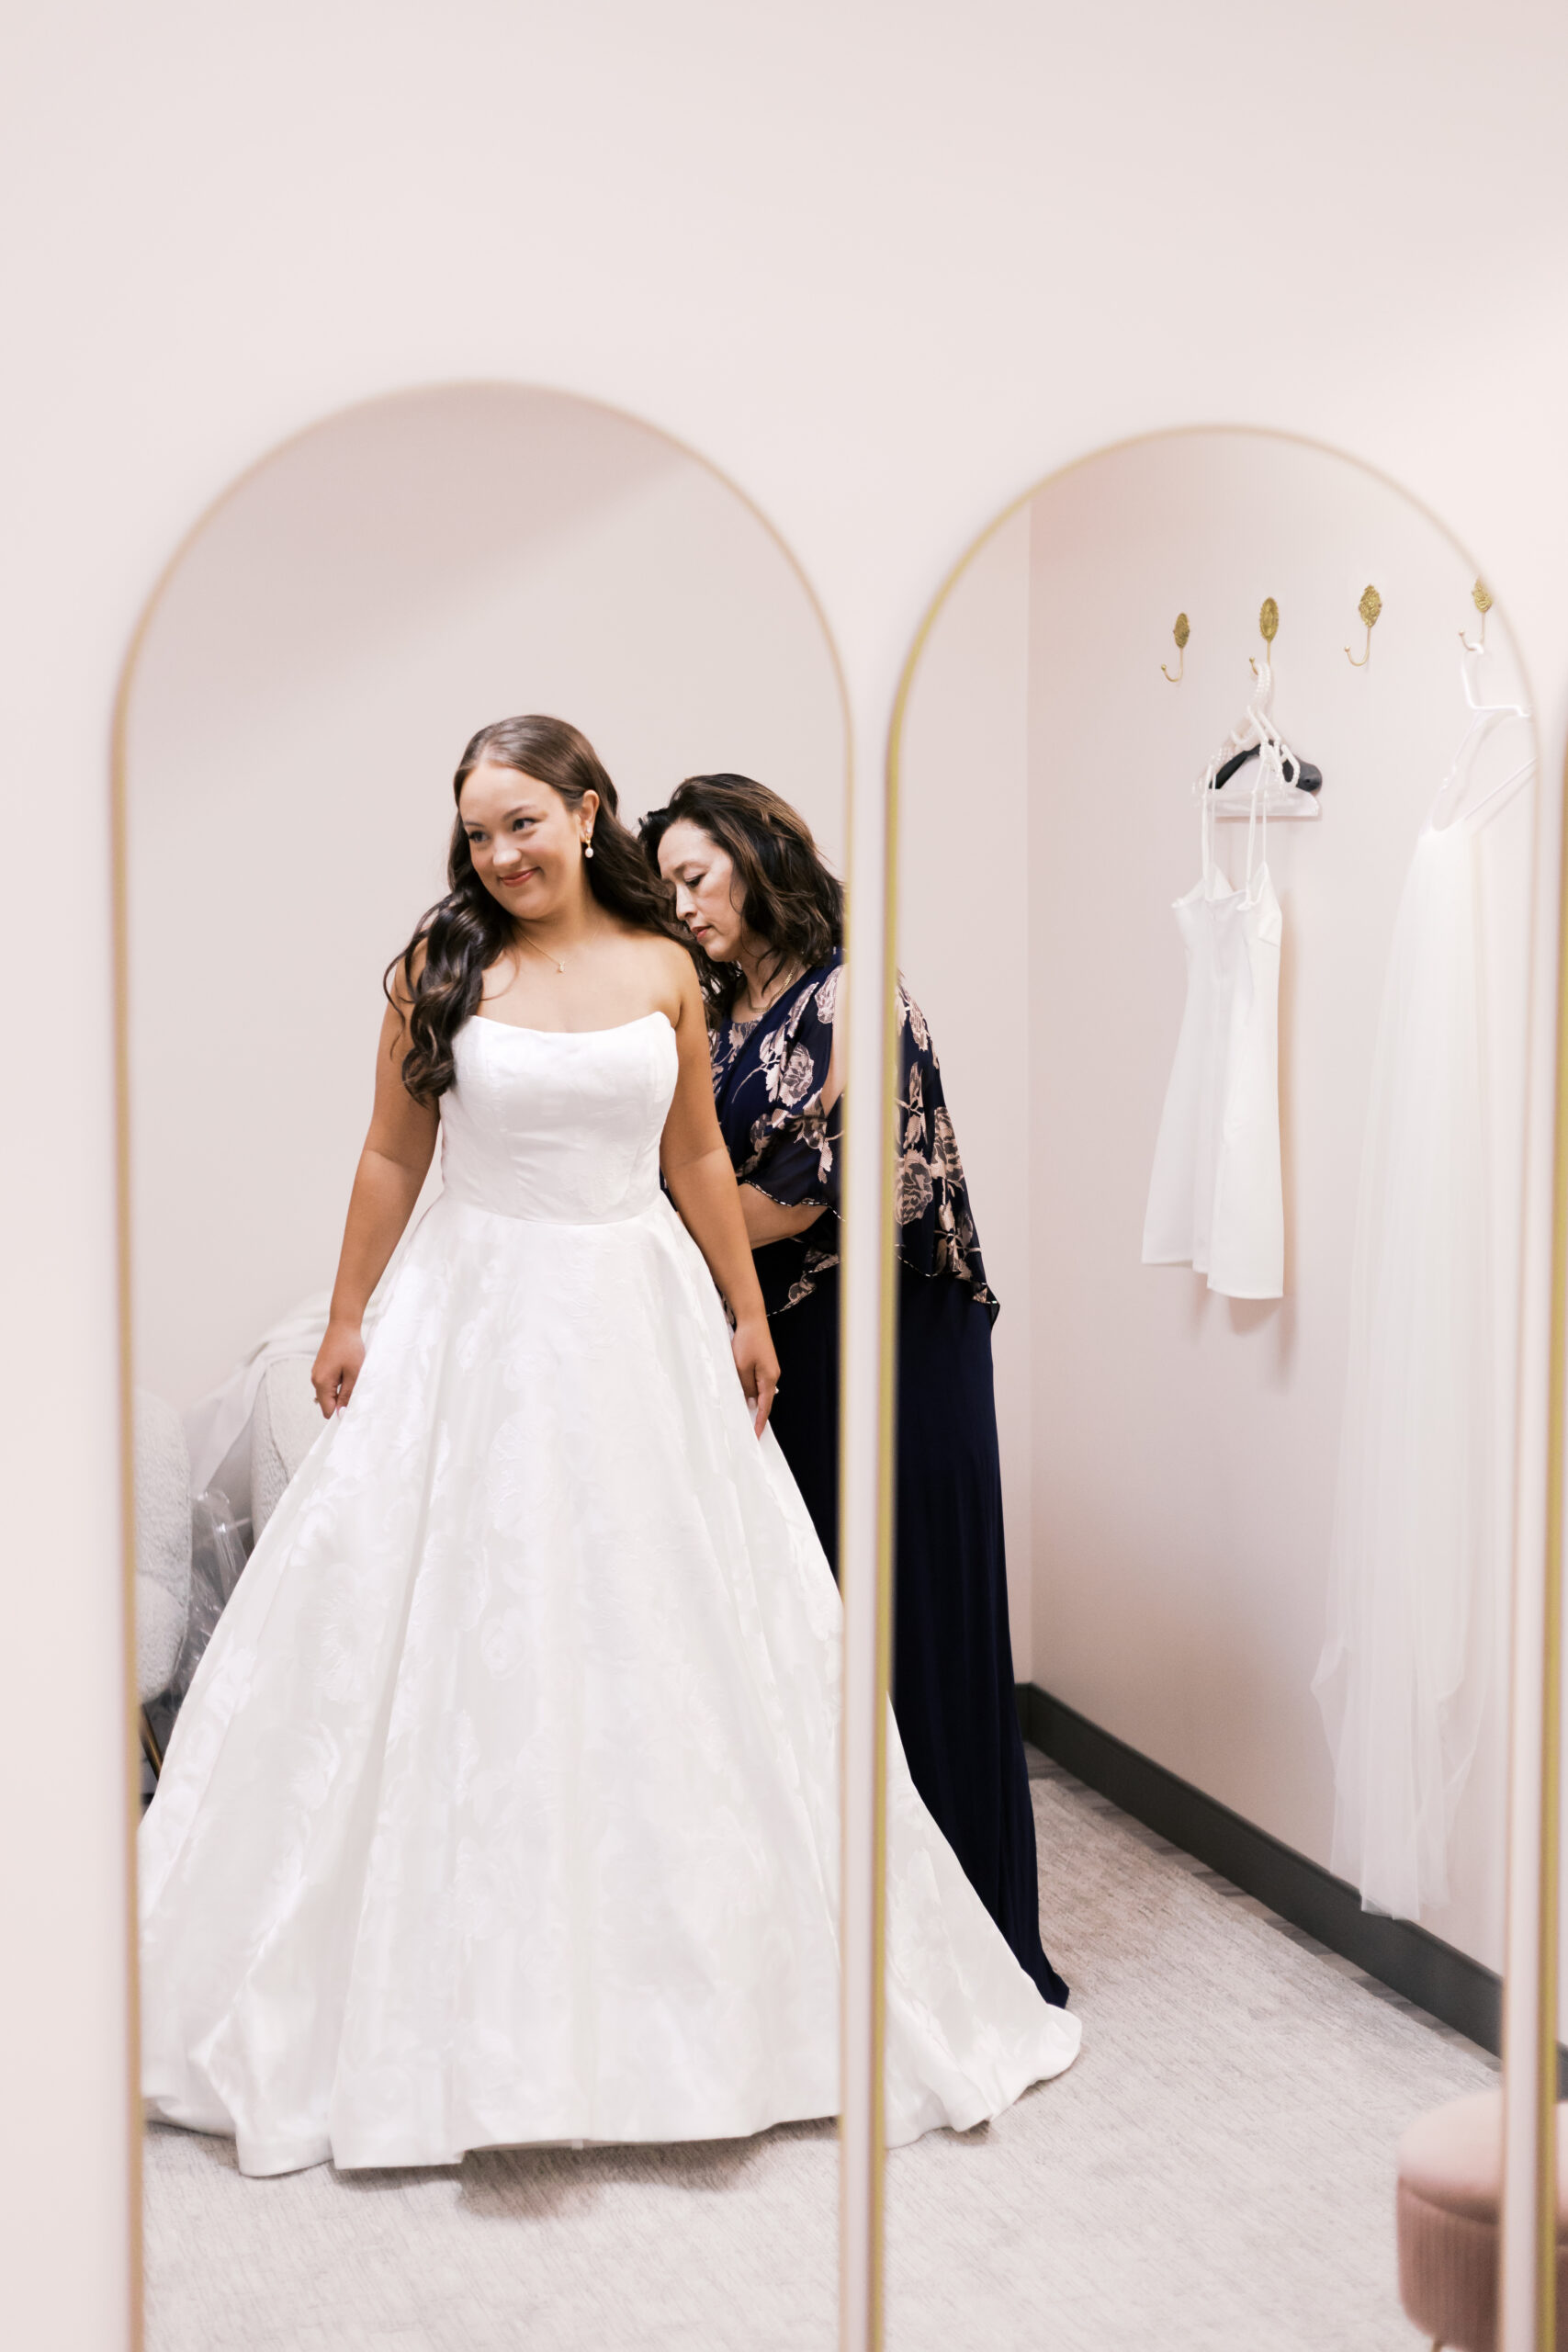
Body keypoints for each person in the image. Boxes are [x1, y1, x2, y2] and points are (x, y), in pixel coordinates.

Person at [139, 717, 1078, 2177]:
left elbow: (698, 1156)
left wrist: (749, 1314)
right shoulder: (437, 971)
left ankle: (697, 1998)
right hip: (478, 1305)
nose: (501, 852)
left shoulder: (663, 971)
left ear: (588, 813)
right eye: (476, 830)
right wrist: (345, 1315)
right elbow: (390, 1155)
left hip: (637, 1308)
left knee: (676, 1627)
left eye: (524, 820)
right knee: (450, 1626)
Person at [645, 775, 1067, 2006]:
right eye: (666, 885)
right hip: (785, 1341)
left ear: (762, 858)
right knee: (806, 1628)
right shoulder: (720, 1011)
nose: (682, 904)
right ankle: (839, 1948)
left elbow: (813, 1192)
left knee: (905, 1620)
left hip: (889, 1345)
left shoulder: (854, 998)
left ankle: (970, 1954)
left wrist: (643, 1232)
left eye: (697, 876)